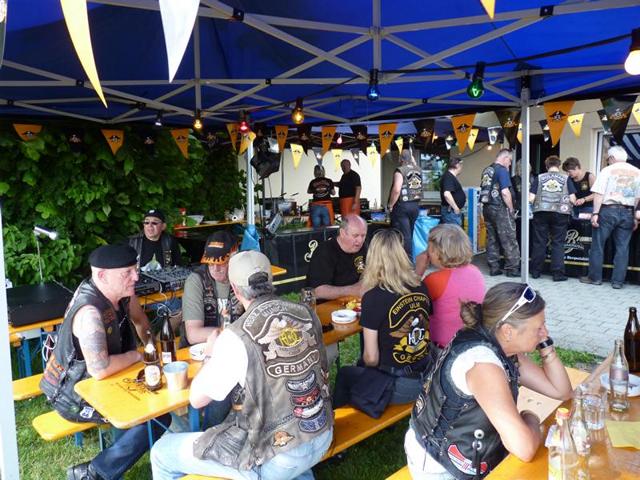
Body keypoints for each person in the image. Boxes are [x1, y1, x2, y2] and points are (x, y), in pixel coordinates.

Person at [151, 251, 333, 480]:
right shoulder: (306, 313)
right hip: (322, 434)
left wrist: (210, 355)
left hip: (279, 456)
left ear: (235, 290)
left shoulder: (237, 336)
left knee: (161, 452)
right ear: (271, 280)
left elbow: (197, 399)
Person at [405, 282, 573, 479]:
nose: (545, 332)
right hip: (440, 468)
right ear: (508, 331)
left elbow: (561, 391)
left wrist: (546, 346)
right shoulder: (483, 364)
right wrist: (531, 419)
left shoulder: (501, 345)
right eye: (539, 327)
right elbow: (524, 448)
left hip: (467, 455)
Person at [40, 244, 171, 480]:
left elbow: (140, 320)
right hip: (73, 395)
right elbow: (100, 369)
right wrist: (138, 356)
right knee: (155, 414)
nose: (136, 277)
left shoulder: (122, 292)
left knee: (159, 396)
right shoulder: (89, 313)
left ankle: (105, 463)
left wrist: (152, 349)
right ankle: (95, 472)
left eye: (135, 269)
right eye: (127, 273)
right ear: (102, 275)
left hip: (103, 380)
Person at [333, 229, 432, 413]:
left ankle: (344, 422)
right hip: (425, 375)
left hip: (399, 386)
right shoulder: (421, 286)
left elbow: (371, 359)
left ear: (373, 258)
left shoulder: (374, 297)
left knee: (345, 373)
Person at [415, 224, 485, 349]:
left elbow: (410, 301)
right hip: (472, 340)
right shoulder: (476, 271)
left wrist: (418, 270)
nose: (426, 251)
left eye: (429, 247)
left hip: (443, 347)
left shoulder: (435, 280)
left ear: (437, 251)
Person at [580, 145, 640, 289]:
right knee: (623, 248)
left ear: (612, 158)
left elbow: (599, 193)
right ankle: (618, 282)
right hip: (628, 211)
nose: (607, 161)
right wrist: (635, 217)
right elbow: (638, 197)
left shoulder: (607, 170)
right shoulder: (637, 172)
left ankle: (595, 278)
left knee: (598, 245)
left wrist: (595, 213)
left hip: (608, 210)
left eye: (608, 159)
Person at [180, 230, 244, 348]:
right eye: (210, 263)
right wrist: (235, 334)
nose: (215, 268)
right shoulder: (196, 280)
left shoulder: (243, 277)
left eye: (221, 262)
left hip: (239, 346)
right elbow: (193, 335)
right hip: (203, 349)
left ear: (234, 258)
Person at [528, 155, 577, 281]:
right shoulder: (566, 178)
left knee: (539, 242)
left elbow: (531, 198)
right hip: (561, 213)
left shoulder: (539, 177)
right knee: (558, 243)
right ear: (559, 165)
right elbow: (573, 199)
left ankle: (535, 271)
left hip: (541, 212)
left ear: (546, 166)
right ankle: (557, 274)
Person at [479, 148, 520, 277]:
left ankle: (494, 267)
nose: (510, 164)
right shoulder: (501, 170)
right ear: (505, 158)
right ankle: (512, 269)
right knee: (509, 238)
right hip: (500, 208)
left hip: (487, 208)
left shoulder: (487, 170)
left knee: (492, 238)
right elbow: (505, 192)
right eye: (510, 161)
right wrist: (511, 208)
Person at [306, 214, 367, 300]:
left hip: (355, 302)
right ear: (342, 233)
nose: (360, 240)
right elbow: (317, 291)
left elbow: (369, 271)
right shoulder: (325, 251)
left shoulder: (363, 247)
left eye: (363, 235)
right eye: (355, 235)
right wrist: (352, 290)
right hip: (328, 304)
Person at [389, 149, 424, 258]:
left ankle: (405, 260)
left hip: (402, 206)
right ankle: (410, 258)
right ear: (411, 158)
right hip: (415, 206)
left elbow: (396, 190)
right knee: (410, 234)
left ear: (401, 159)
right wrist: (412, 161)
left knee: (404, 235)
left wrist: (390, 205)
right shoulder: (418, 170)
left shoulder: (400, 171)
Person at [440, 157, 465, 226]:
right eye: (461, 165)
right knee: (453, 232)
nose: (461, 168)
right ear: (457, 165)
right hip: (451, 212)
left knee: (454, 231)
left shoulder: (450, 176)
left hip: (452, 212)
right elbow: (447, 194)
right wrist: (456, 208)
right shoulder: (448, 176)